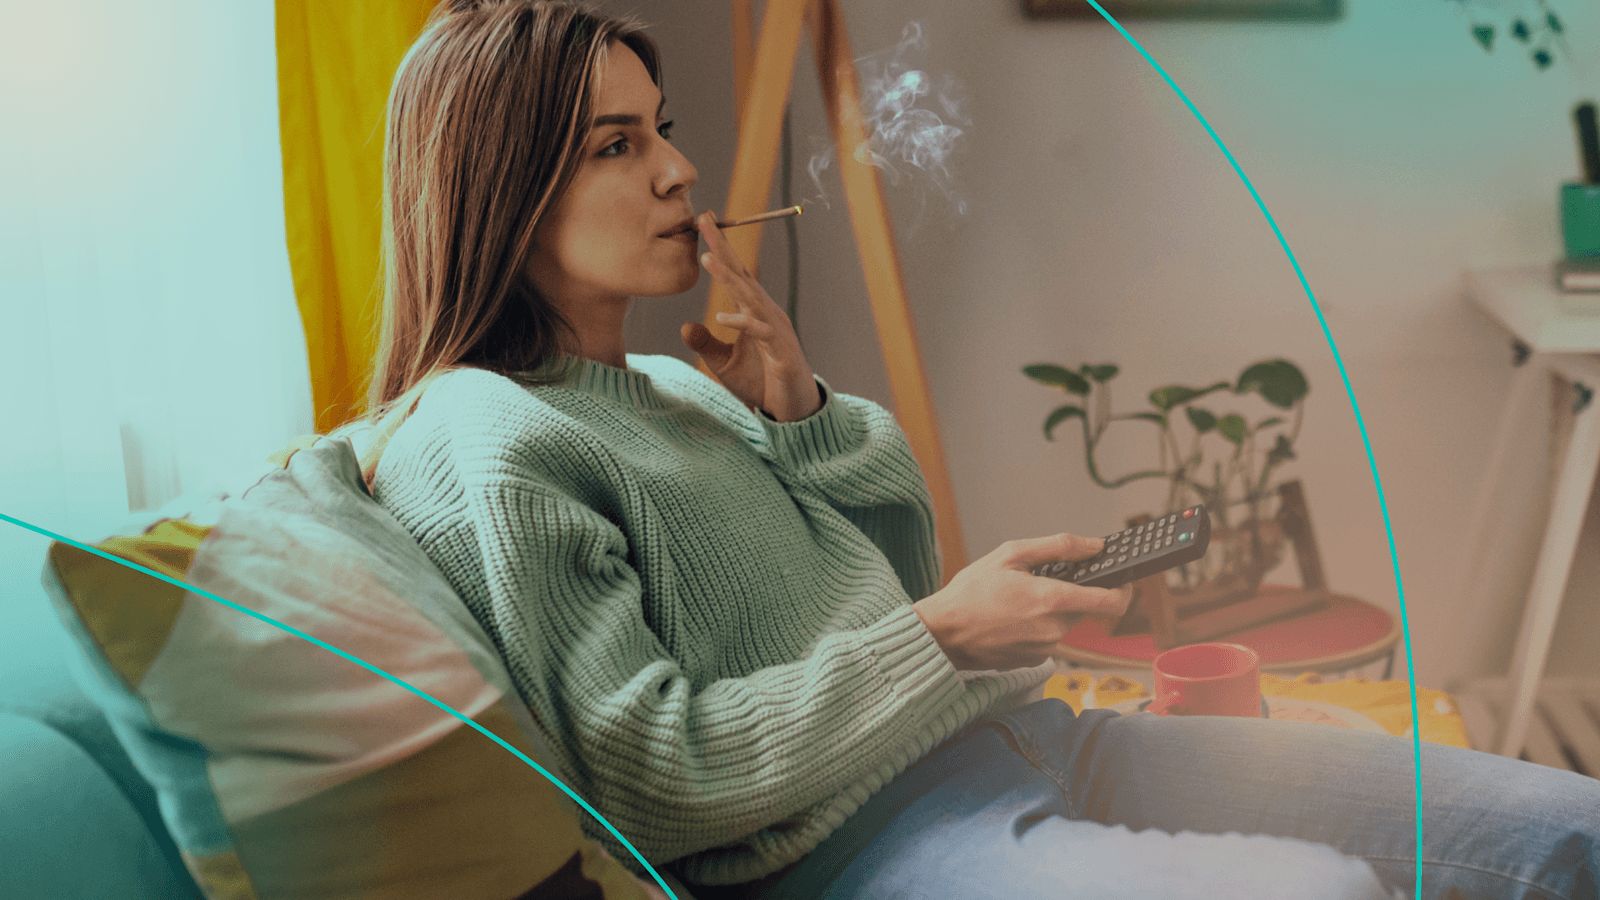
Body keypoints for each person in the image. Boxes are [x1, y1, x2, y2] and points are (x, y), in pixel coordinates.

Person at [351, 2, 1600, 898]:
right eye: (615, 147)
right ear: (497, 194)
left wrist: (803, 419)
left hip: (1036, 741)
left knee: (1567, 826)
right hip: (851, 849)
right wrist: (942, 633)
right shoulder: (483, 432)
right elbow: (651, 778)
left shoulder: (677, 382)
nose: (681, 171)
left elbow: (890, 588)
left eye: (660, 129)